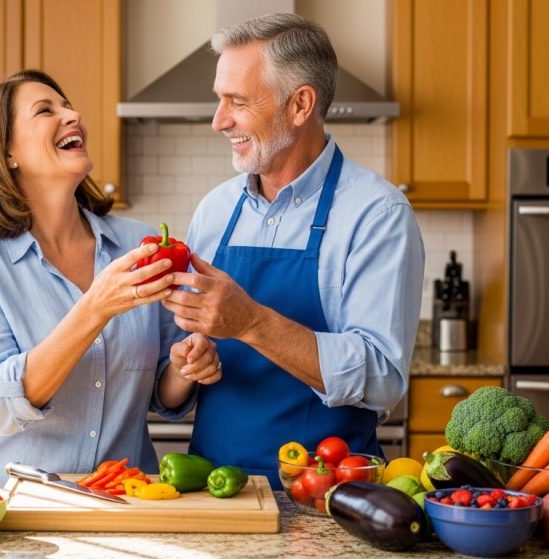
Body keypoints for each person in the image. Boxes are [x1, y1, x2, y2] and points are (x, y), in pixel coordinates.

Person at [163, 14, 424, 488]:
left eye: (237, 102)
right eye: (219, 100)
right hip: (214, 488)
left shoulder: (377, 214)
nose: (220, 120)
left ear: (301, 104)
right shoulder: (216, 209)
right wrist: (190, 359)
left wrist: (251, 322)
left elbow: (383, 378)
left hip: (327, 494)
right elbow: (179, 372)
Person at [0, 70, 221, 486]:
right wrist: (95, 307)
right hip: (12, 503)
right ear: (6, 152)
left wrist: (185, 366)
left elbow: (165, 394)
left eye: (67, 105)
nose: (73, 115)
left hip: (122, 501)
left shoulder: (135, 246)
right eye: (45, 110)